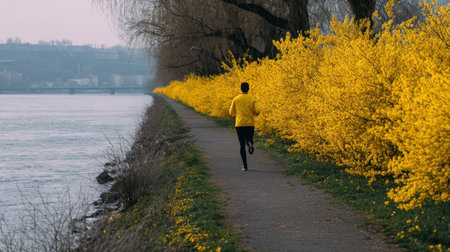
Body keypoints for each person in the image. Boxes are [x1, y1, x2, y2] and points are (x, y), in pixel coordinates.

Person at [229, 82, 260, 171]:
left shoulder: (236, 99)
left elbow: (231, 112)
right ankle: (250, 142)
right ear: (248, 89)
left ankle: (245, 166)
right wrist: (254, 113)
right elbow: (258, 110)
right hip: (250, 123)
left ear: (240, 89)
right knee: (249, 139)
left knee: (242, 145)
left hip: (239, 124)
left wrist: (237, 114)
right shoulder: (252, 99)